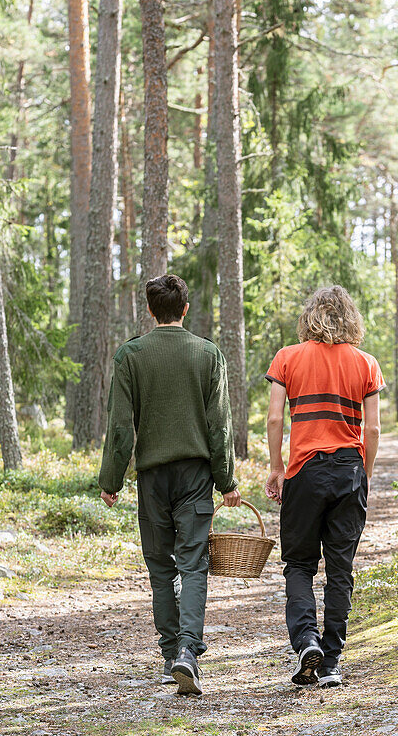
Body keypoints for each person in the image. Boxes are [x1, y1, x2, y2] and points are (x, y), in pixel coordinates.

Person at [98, 273, 241, 697]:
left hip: (152, 478)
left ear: (149, 310)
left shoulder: (131, 355)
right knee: (193, 565)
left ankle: (169, 657)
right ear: (185, 309)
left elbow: (120, 425)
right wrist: (227, 480)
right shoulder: (208, 354)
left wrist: (110, 480)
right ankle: (188, 653)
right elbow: (220, 425)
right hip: (196, 476)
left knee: (161, 567)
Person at [265, 285, 383, 688]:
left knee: (298, 563)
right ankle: (330, 660)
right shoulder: (366, 364)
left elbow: (275, 420)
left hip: (304, 472)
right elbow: (374, 428)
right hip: (349, 470)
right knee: (340, 568)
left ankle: (305, 642)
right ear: (350, 318)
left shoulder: (287, 358)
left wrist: (278, 467)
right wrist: (364, 473)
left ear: (309, 316)